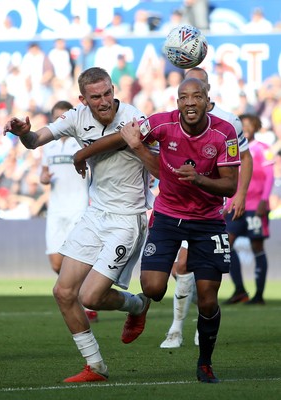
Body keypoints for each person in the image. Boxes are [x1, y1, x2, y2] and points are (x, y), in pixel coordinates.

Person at [73, 77, 241, 383]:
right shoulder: (162, 124)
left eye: (197, 97)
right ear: (177, 102)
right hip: (167, 216)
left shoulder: (224, 132)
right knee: (152, 287)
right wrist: (84, 153)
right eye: (183, 98)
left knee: (207, 299)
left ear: (207, 100)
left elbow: (230, 184)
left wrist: (199, 179)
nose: (190, 103)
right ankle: (142, 306)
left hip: (208, 220)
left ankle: (205, 362)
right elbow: (126, 136)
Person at [3, 67, 156, 383]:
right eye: (95, 97)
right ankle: (96, 366)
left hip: (127, 220)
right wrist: (23, 132)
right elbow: (36, 141)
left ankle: (137, 305)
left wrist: (81, 153)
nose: (104, 102)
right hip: (95, 215)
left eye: (107, 94)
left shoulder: (133, 116)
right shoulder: (76, 117)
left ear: (113, 90)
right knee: (63, 291)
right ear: (82, 99)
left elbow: (119, 140)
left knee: (90, 297)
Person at [160, 67, 253, 349]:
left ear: (207, 90)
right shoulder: (174, 120)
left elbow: (244, 158)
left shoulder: (228, 121)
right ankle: (177, 326)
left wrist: (240, 194)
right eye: (186, 92)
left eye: (198, 90)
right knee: (178, 268)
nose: (192, 99)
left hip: (207, 209)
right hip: (175, 206)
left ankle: (189, 326)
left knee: (197, 270)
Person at [40, 101, 97, 322]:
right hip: (55, 209)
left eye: (65, 117)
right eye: (57, 117)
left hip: (78, 207)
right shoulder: (49, 146)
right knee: (56, 263)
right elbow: (43, 173)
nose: (61, 121)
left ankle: (88, 301)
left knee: (78, 258)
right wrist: (43, 178)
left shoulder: (81, 141)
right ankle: (81, 291)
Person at [224, 114, 274, 305]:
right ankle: (239, 290)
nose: (245, 127)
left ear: (256, 126)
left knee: (257, 247)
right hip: (236, 206)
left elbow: (269, 176)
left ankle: (259, 294)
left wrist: (264, 200)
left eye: (248, 124)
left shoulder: (263, 149)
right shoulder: (232, 150)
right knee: (226, 244)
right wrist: (227, 205)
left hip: (255, 208)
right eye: (242, 125)